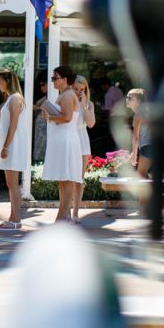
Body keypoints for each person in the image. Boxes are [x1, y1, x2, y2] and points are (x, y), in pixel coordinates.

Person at [43, 66, 83, 223]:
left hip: (66, 139)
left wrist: (49, 117)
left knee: (66, 178)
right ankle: (64, 214)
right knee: (63, 178)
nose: (53, 81)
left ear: (65, 80)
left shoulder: (67, 95)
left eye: (55, 78)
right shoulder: (65, 94)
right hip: (63, 138)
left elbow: (66, 117)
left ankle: (62, 216)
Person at [0, 68, 28, 231]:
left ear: (7, 81)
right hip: (10, 145)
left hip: (12, 146)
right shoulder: (12, 98)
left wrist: (6, 146)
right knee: (10, 183)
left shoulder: (15, 99)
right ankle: (12, 217)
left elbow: (13, 125)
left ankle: (16, 220)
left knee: (13, 184)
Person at [71, 75, 97, 223]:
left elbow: (91, 123)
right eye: (76, 89)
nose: (79, 92)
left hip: (82, 140)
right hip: (69, 139)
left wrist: (85, 105)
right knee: (68, 178)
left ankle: (76, 213)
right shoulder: (68, 101)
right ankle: (66, 211)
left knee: (79, 179)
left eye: (82, 89)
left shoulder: (89, 104)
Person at [126, 88, 151, 180]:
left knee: (141, 176)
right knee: (145, 177)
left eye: (130, 97)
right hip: (151, 147)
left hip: (148, 147)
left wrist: (134, 155)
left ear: (138, 101)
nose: (127, 99)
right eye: (127, 97)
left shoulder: (139, 114)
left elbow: (136, 137)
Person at [103, 80, 125, 148]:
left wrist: (106, 119)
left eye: (102, 86)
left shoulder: (108, 94)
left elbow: (108, 110)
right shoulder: (119, 90)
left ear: (106, 84)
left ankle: (116, 151)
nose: (103, 88)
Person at [32, 76, 49, 162]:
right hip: (40, 130)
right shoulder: (45, 98)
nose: (41, 87)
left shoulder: (53, 97)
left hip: (46, 130)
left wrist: (38, 107)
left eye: (43, 84)